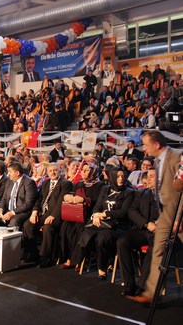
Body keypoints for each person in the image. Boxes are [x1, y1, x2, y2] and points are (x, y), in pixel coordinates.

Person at [127, 130, 181, 304]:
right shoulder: (157, 161)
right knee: (157, 250)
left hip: (179, 212)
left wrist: (179, 218)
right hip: (165, 214)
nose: (144, 149)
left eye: (146, 145)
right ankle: (152, 293)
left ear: (156, 144)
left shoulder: (177, 156)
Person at [75, 166, 134, 280]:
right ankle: (82, 260)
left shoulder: (129, 192)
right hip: (102, 223)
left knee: (102, 237)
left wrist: (103, 215)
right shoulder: (105, 189)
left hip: (119, 225)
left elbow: (123, 212)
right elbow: (97, 206)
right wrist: (96, 216)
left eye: (122, 176)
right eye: (117, 176)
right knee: (86, 231)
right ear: (112, 177)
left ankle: (102, 267)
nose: (121, 179)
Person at [23, 163, 73, 268]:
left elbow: (61, 202)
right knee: (27, 225)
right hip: (43, 213)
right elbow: (39, 199)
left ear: (60, 171)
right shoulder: (45, 183)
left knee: (47, 228)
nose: (53, 172)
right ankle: (33, 253)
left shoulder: (65, 183)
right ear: (47, 173)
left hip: (56, 215)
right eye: (50, 171)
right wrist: (35, 211)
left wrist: (53, 216)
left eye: (55, 170)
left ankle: (46, 257)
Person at [117, 169, 159, 296]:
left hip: (160, 233)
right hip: (142, 229)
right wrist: (147, 224)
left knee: (155, 249)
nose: (149, 178)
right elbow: (131, 211)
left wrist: (161, 223)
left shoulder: (167, 196)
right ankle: (129, 282)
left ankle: (143, 286)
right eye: (148, 176)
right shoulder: (141, 193)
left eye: (152, 176)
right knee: (122, 241)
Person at [60, 162, 104, 270]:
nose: (83, 172)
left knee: (80, 228)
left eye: (87, 170)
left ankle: (78, 260)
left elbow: (98, 203)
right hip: (76, 213)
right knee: (65, 227)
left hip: (89, 214)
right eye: (82, 170)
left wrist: (85, 200)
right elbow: (73, 193)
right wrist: (69, 197)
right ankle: (68, 257)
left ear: (93, 172)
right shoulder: (79, 184)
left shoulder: (100, 185)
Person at [0, 162, 37, 229]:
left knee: (14, 220)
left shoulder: (29, 182)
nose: (8, 174)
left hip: (22, 212)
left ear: (17, 173)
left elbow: (28, 204)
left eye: (10, 172)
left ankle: (12, 239)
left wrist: (12, 213)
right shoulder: (9, 181)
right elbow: (4, 198)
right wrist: (1, 209)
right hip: (9, 210)